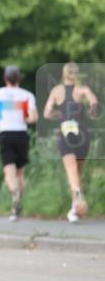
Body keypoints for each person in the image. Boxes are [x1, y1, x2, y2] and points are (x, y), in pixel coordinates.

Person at [43, 62, 99, 223]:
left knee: (71, 171)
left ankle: (76, 201)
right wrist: (90, 112)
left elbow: (47, 113)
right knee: (77, 173)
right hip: (82, 132)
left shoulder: (56, 91)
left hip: (66, 130)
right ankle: (75, 207)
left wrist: (58, 115)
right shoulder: (82, 90)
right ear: (76, 74)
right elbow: (94, 102)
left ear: (63, 74)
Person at [0, 66, 38, 221]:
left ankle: (14, 196)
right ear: (19, 79)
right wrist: (25, 119)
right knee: (20, 173)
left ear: (5, 78)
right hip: (21, 134)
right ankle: (17, 205)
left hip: (6, 134)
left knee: (9, 172)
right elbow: (34, 118)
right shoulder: (27, 96)